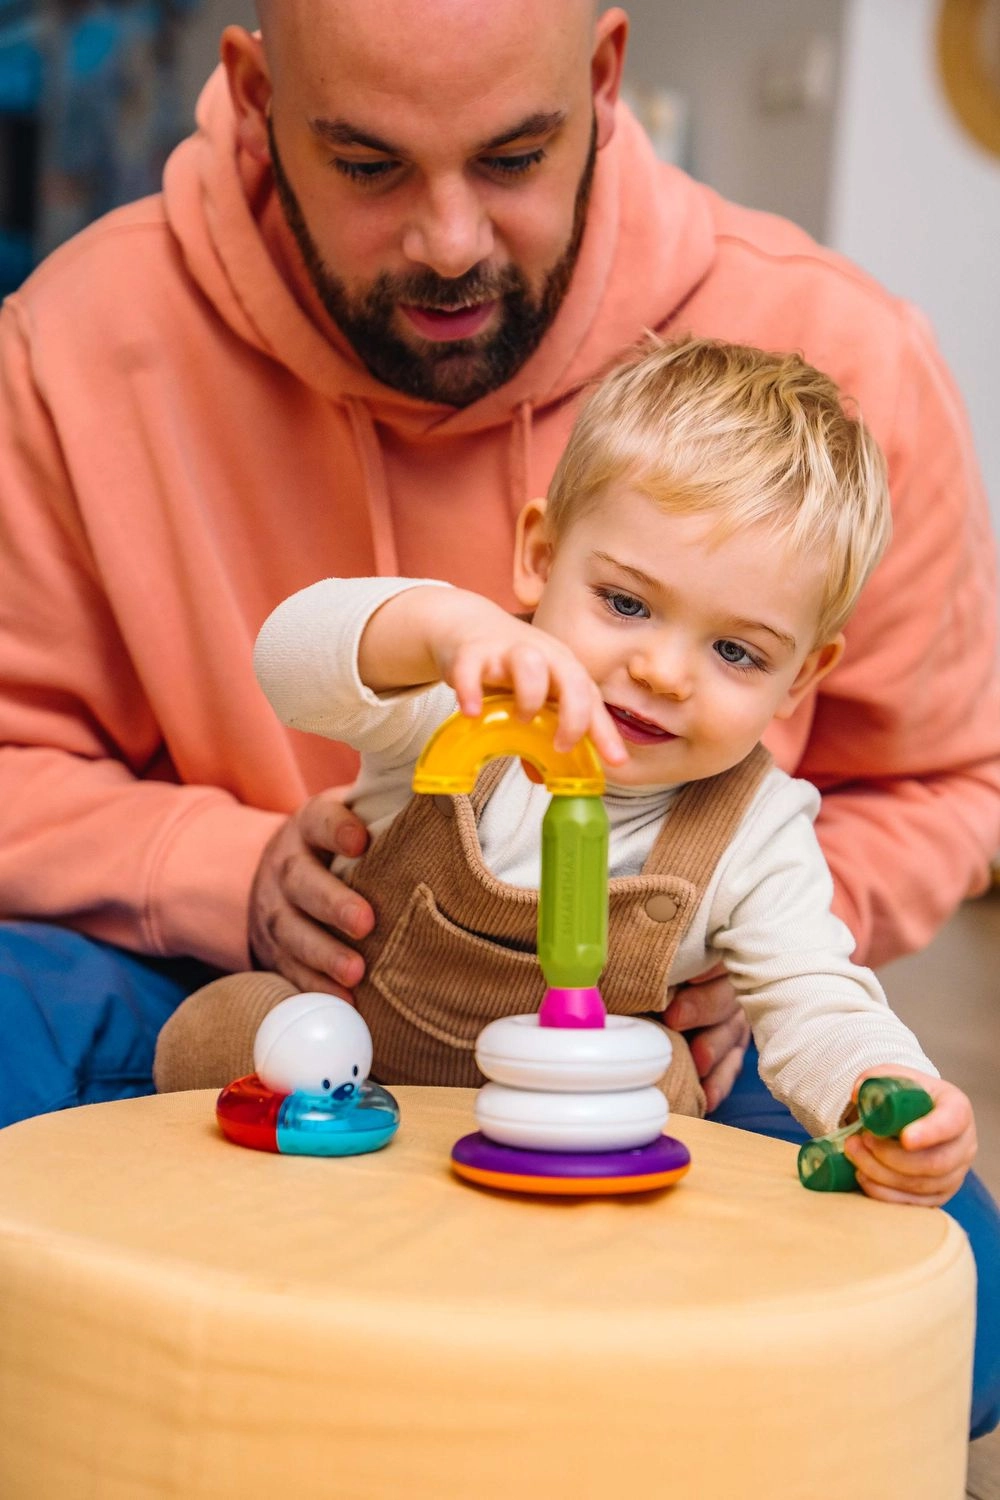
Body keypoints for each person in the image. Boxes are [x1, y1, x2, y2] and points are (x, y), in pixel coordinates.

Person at [0, 0, 996, 1341]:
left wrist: (758, 995)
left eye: (516, 157)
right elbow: (302, 661)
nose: (451, 241)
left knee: (958, 1305)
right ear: (252, 95)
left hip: (656, 1059)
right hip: (293, 993)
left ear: (602, 78)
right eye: (367, 166)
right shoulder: (465, 695)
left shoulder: (852, 360)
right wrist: (224, 869)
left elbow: (896, 865)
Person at [159, 336, 979, 1216]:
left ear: (801, 680)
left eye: (736, 652)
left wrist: (886, 1089)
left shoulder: (759, 828)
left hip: (569, 1134)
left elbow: (813, 994)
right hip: (349, 1077)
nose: (663, 671)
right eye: (625, 603)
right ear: (541, 559)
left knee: (668, 1087)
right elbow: (286, 660)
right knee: (219, 1032)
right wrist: (438, 627)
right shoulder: (462, 694)